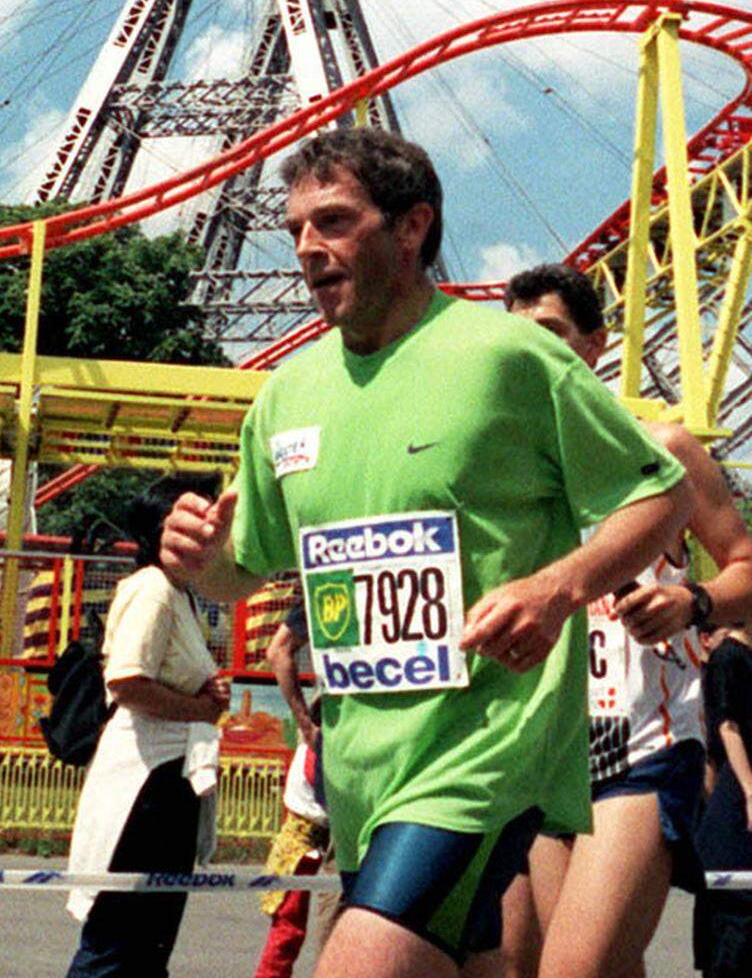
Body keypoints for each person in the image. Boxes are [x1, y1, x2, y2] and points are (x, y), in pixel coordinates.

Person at [161, 126, 692, 978]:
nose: (306, 247)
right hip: (360, 766)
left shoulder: (509, 356)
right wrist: (200, 561)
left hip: (484, 749)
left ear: (411, 228)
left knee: (361, 964)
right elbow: (240, 570)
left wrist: (559, 588)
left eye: (332, 221)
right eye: (296, 226)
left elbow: (658, 495)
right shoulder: (287, 395)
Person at [497, 262, 752, 978]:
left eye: (550, 333)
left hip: (642, 745)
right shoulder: (512, 471)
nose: (532, 352)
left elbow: (744, 566)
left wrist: (691, 603)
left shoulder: (662, 450)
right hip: (547, 749)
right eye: (516, 340)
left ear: (594, 345)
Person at [65, 480, 230, 977]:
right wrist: (198, 708)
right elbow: (127, 682)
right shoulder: (153, 589)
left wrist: (205, 700)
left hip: (169, 783)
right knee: (117, 942)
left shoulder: (182, 595)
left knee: (149, 945)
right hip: (145, 786)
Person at [253, 597, 335, 977]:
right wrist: (306, 725)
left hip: (324, 804)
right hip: (315, 812)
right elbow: (278, 651)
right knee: (289, 927)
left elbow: (279, 651)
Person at [694, 620, 752, 975]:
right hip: (737, 804)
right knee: (734, 923)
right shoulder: (730, 657)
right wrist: (749, 789)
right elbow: (726, 727)